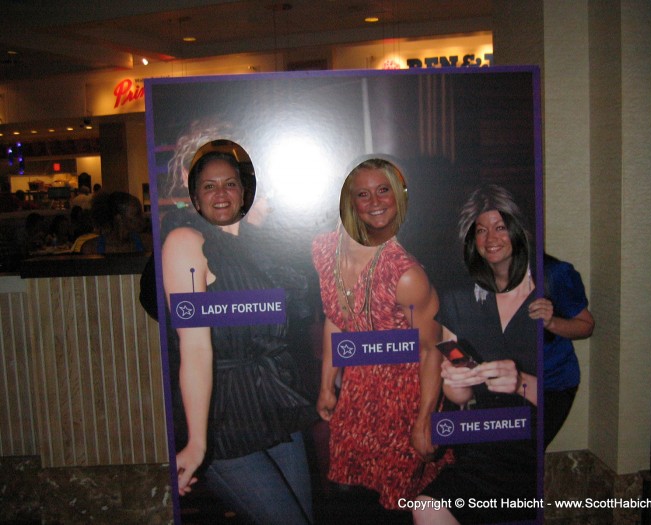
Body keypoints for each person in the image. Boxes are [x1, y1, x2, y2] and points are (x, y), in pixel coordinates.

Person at [161, 139, 315, 525]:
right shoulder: (186, 243)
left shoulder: (259, 244)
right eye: (209, 185)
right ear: (193, 194)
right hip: (221, 415)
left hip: (274, 402)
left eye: (229, 183)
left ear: (244, 189)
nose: (220, 193)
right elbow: (194, 349)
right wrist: (196, 443)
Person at [312, 158, 447, 515]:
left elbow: (431, 350)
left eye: (383, 190)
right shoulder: (326, 252)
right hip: (356, 394)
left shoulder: (406, 275)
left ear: (398, 196)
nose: (375, 201)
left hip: (403, 398)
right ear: (349, 201)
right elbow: (335, 317)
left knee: (398, 504)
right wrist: (327, 383)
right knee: (350, 497)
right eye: (363, 193)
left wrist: (425, 420)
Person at [413, 184, 538, 525]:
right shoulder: (457, 300)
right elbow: (461, 393)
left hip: (542, 446)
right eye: (480, 230)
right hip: (485, 449)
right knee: (426, 506)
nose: (491, 238)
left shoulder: (547, 298)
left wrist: (520, 384)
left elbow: (567, 396)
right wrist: (457, 381)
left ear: (520, 230)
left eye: (500, 226)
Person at [530, 253, 594, 447]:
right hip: (502, 387)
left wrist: (550, 322)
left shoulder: (552, 272)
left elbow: (586, 325)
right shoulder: (481, 273)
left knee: (525, 458)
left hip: (551, 384)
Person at [80, 191, 152, 254]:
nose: (143, 218)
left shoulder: (147, 242)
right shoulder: (91, 248)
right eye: (137, 214)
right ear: (119, 218)